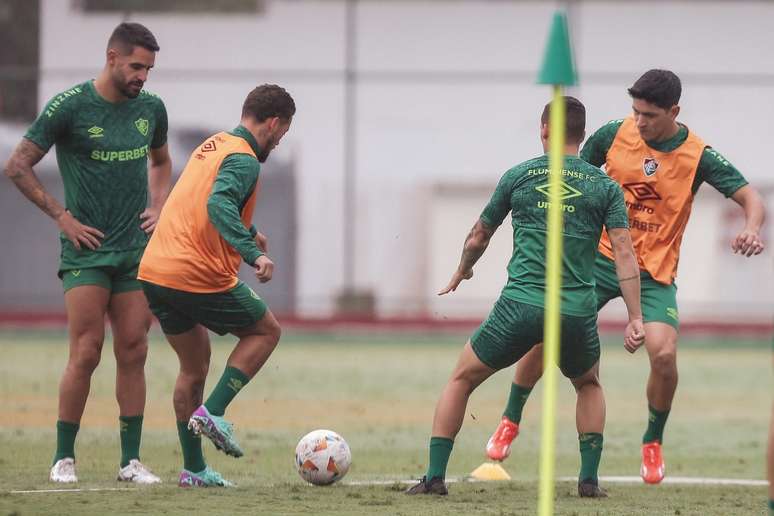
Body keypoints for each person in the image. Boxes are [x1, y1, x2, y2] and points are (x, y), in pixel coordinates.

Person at [486, 69, 767, 485]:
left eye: (649, 115)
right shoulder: (613, 134)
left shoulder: (697, 154)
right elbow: (569, 178)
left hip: (653, 273)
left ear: (674, 111)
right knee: (545, 330)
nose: (639, 121)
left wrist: (752, 227)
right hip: (596, 261)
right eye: (635, 111)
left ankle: (652, 441)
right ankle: (511, 416)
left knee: (664, 354)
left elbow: (750, 197)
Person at [406, 97, 645, 497]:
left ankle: (433, 479)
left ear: (544, 130)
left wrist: (463, 269)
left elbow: (479, 235)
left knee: (462, 379)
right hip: (576, 310)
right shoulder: (605, 186)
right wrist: (635, 316)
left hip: (520, 306)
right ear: (582, 135)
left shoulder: (518, 175)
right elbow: (624, 252)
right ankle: (588, 482)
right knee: (588, 385)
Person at [3, 22, 171, 484]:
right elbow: (17, 166)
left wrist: (158, 206)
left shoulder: (151, 109)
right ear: (112, 57)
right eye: (137, 66)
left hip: (135, 252)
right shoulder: (70, 106)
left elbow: (161, 161)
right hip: (87, 253)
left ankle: (130, 463)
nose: (143, 76)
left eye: (149, 69)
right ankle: (63, 458)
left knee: (134, 348)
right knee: (87, 350)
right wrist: (62, 217)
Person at [137, 84, 294, 488]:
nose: (279, 142)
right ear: (274, 123)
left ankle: (193, 470)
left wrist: (250, 230)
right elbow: (218, 204)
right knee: (265, 330)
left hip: (155, 270)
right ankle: (214, 412)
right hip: (194, 272)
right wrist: (252, 253)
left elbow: (202, 199)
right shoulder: (245, 160)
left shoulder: (214, 145)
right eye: (283, 133)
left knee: (194, 366)